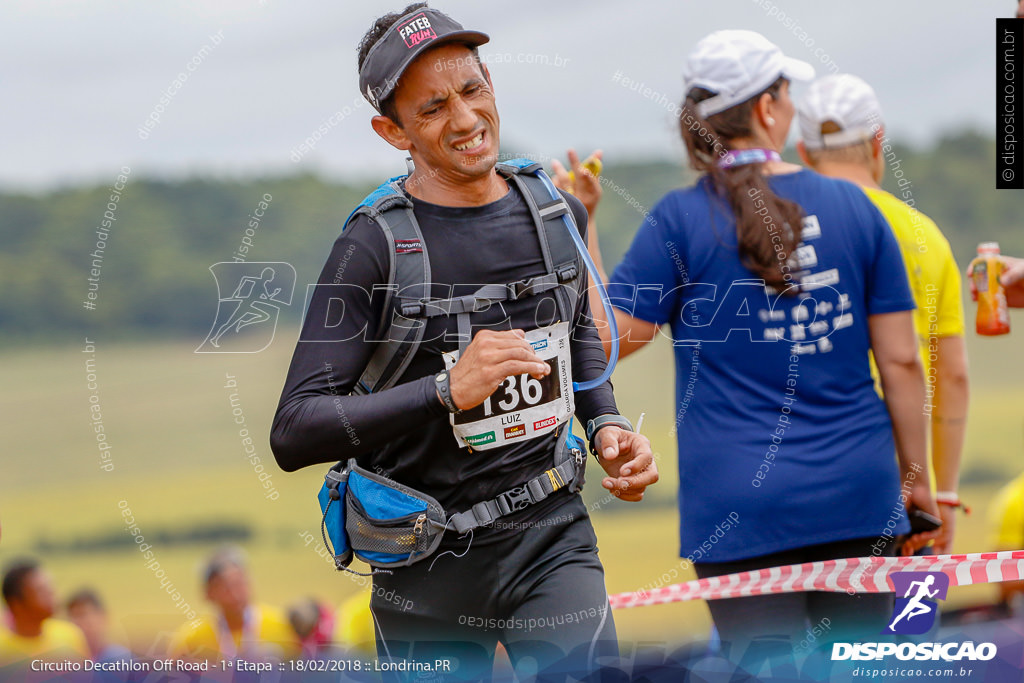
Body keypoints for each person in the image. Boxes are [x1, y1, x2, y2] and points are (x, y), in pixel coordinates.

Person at [270, 3, 657, 678]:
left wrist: (607, 425)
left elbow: (573, 338)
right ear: (392, 131)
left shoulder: (551, 209)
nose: (466, 119)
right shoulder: (372, 246)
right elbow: (294, 430)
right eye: (434, 108)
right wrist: (445, 391)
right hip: (425, 563)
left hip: (551, 538)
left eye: (473, 90)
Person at [569, 29, 937, 651]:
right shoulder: (855, 207)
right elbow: (901, 362)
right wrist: (917, 484)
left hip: (738, 514)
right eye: (786, 95)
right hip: (860, 496)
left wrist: (584, 226)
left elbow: (604, 343)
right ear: (768, 109)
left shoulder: (680, 219)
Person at [795, 74, 970, 554]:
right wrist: (944, 492)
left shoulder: (786, 231)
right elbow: (950, 375)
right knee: (905, 629)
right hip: (907, 491)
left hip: (804, 477)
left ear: (804, 152)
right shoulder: (925, 234)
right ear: (878, 141)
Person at [169, 547, 297, 662]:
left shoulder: (284, 625)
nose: (236, 595)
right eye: (226, 588)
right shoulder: (192, 639)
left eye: (239, 584)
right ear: (208, 594)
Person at [0, 558, 88, 664]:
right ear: (16, 604)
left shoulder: (70, 636)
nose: (52, 595)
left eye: (50, 588)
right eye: (41, 591)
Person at [66, 588, 132, 663]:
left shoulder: (122, 660)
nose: (76, 623)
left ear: (103, 617)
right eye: (72, 616)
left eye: (82, 614)